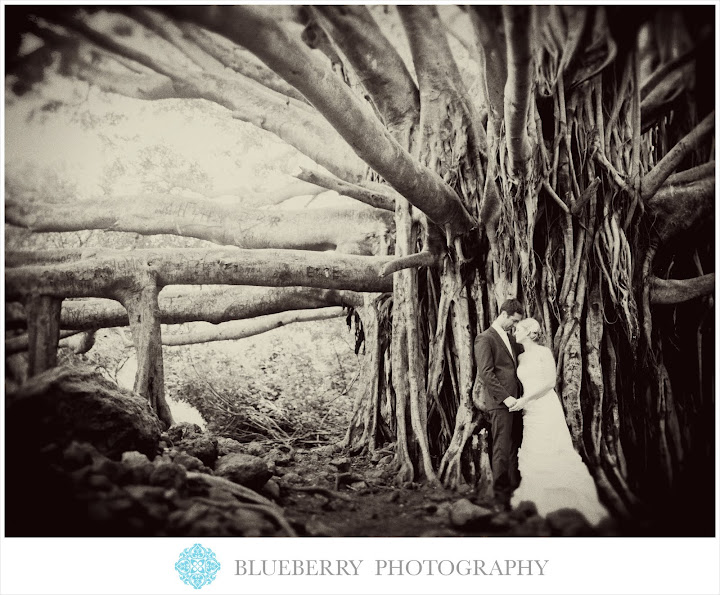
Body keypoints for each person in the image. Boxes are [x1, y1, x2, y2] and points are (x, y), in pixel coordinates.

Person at [508, 317, 609, 525]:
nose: (514, 332)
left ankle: (569, 504)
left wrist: (525, 399)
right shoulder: (520, 358)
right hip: (529, 410)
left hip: (544, 405)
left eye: (517, 329)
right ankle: (539, 501)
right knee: (534, 450)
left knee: (554, 448)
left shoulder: (543, 353)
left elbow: (550, 382)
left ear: (528, 332)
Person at [474, 298, 524, 511]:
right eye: (513, 321)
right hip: (501, 403)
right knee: (501, 449)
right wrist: (506, 398)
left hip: (517, 403)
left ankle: (515, 491)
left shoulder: (511, 339)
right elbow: (486, 373)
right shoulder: (485, 338)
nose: (514, 325)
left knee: (515, 447)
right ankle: (500, 498)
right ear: (503, 314)